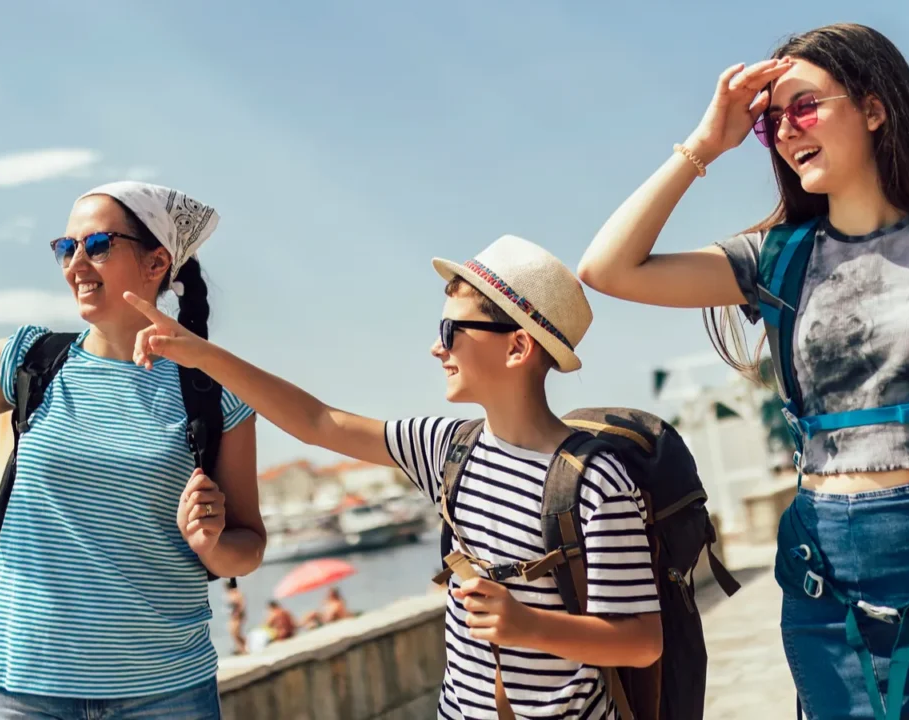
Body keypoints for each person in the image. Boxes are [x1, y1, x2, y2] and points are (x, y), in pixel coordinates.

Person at [576, 23, 909, 719]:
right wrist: (704, 145)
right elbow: (607, 269)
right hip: (823, 585)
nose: (785, 130)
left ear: (874, 108)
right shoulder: (774, 259)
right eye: (771, 121)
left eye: (804, 106)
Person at [122, 235, 662, 718]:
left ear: (517, 346)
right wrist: (201, 355)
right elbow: (318, 421)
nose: (437, 347)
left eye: (451, 330)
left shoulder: (595, 480)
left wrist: (531, 627)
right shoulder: (448, 447)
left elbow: (642, 641)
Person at [0, 181, 265, 718]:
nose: (76, 264)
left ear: (157, 262)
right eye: (66, 248)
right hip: (24, 691)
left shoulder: (214, 390)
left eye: (98, 245)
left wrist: (213, 545)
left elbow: (249, 544)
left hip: (166, 692)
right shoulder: (29, 362)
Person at [226, 579, 248, 655]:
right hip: (235, 615)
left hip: (237, 616)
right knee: (234, 633)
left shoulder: (235, 594)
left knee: (235, 633)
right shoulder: (235, 593)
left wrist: (238, 613)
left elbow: (240, 605)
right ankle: (241, 648)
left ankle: (243, 648)